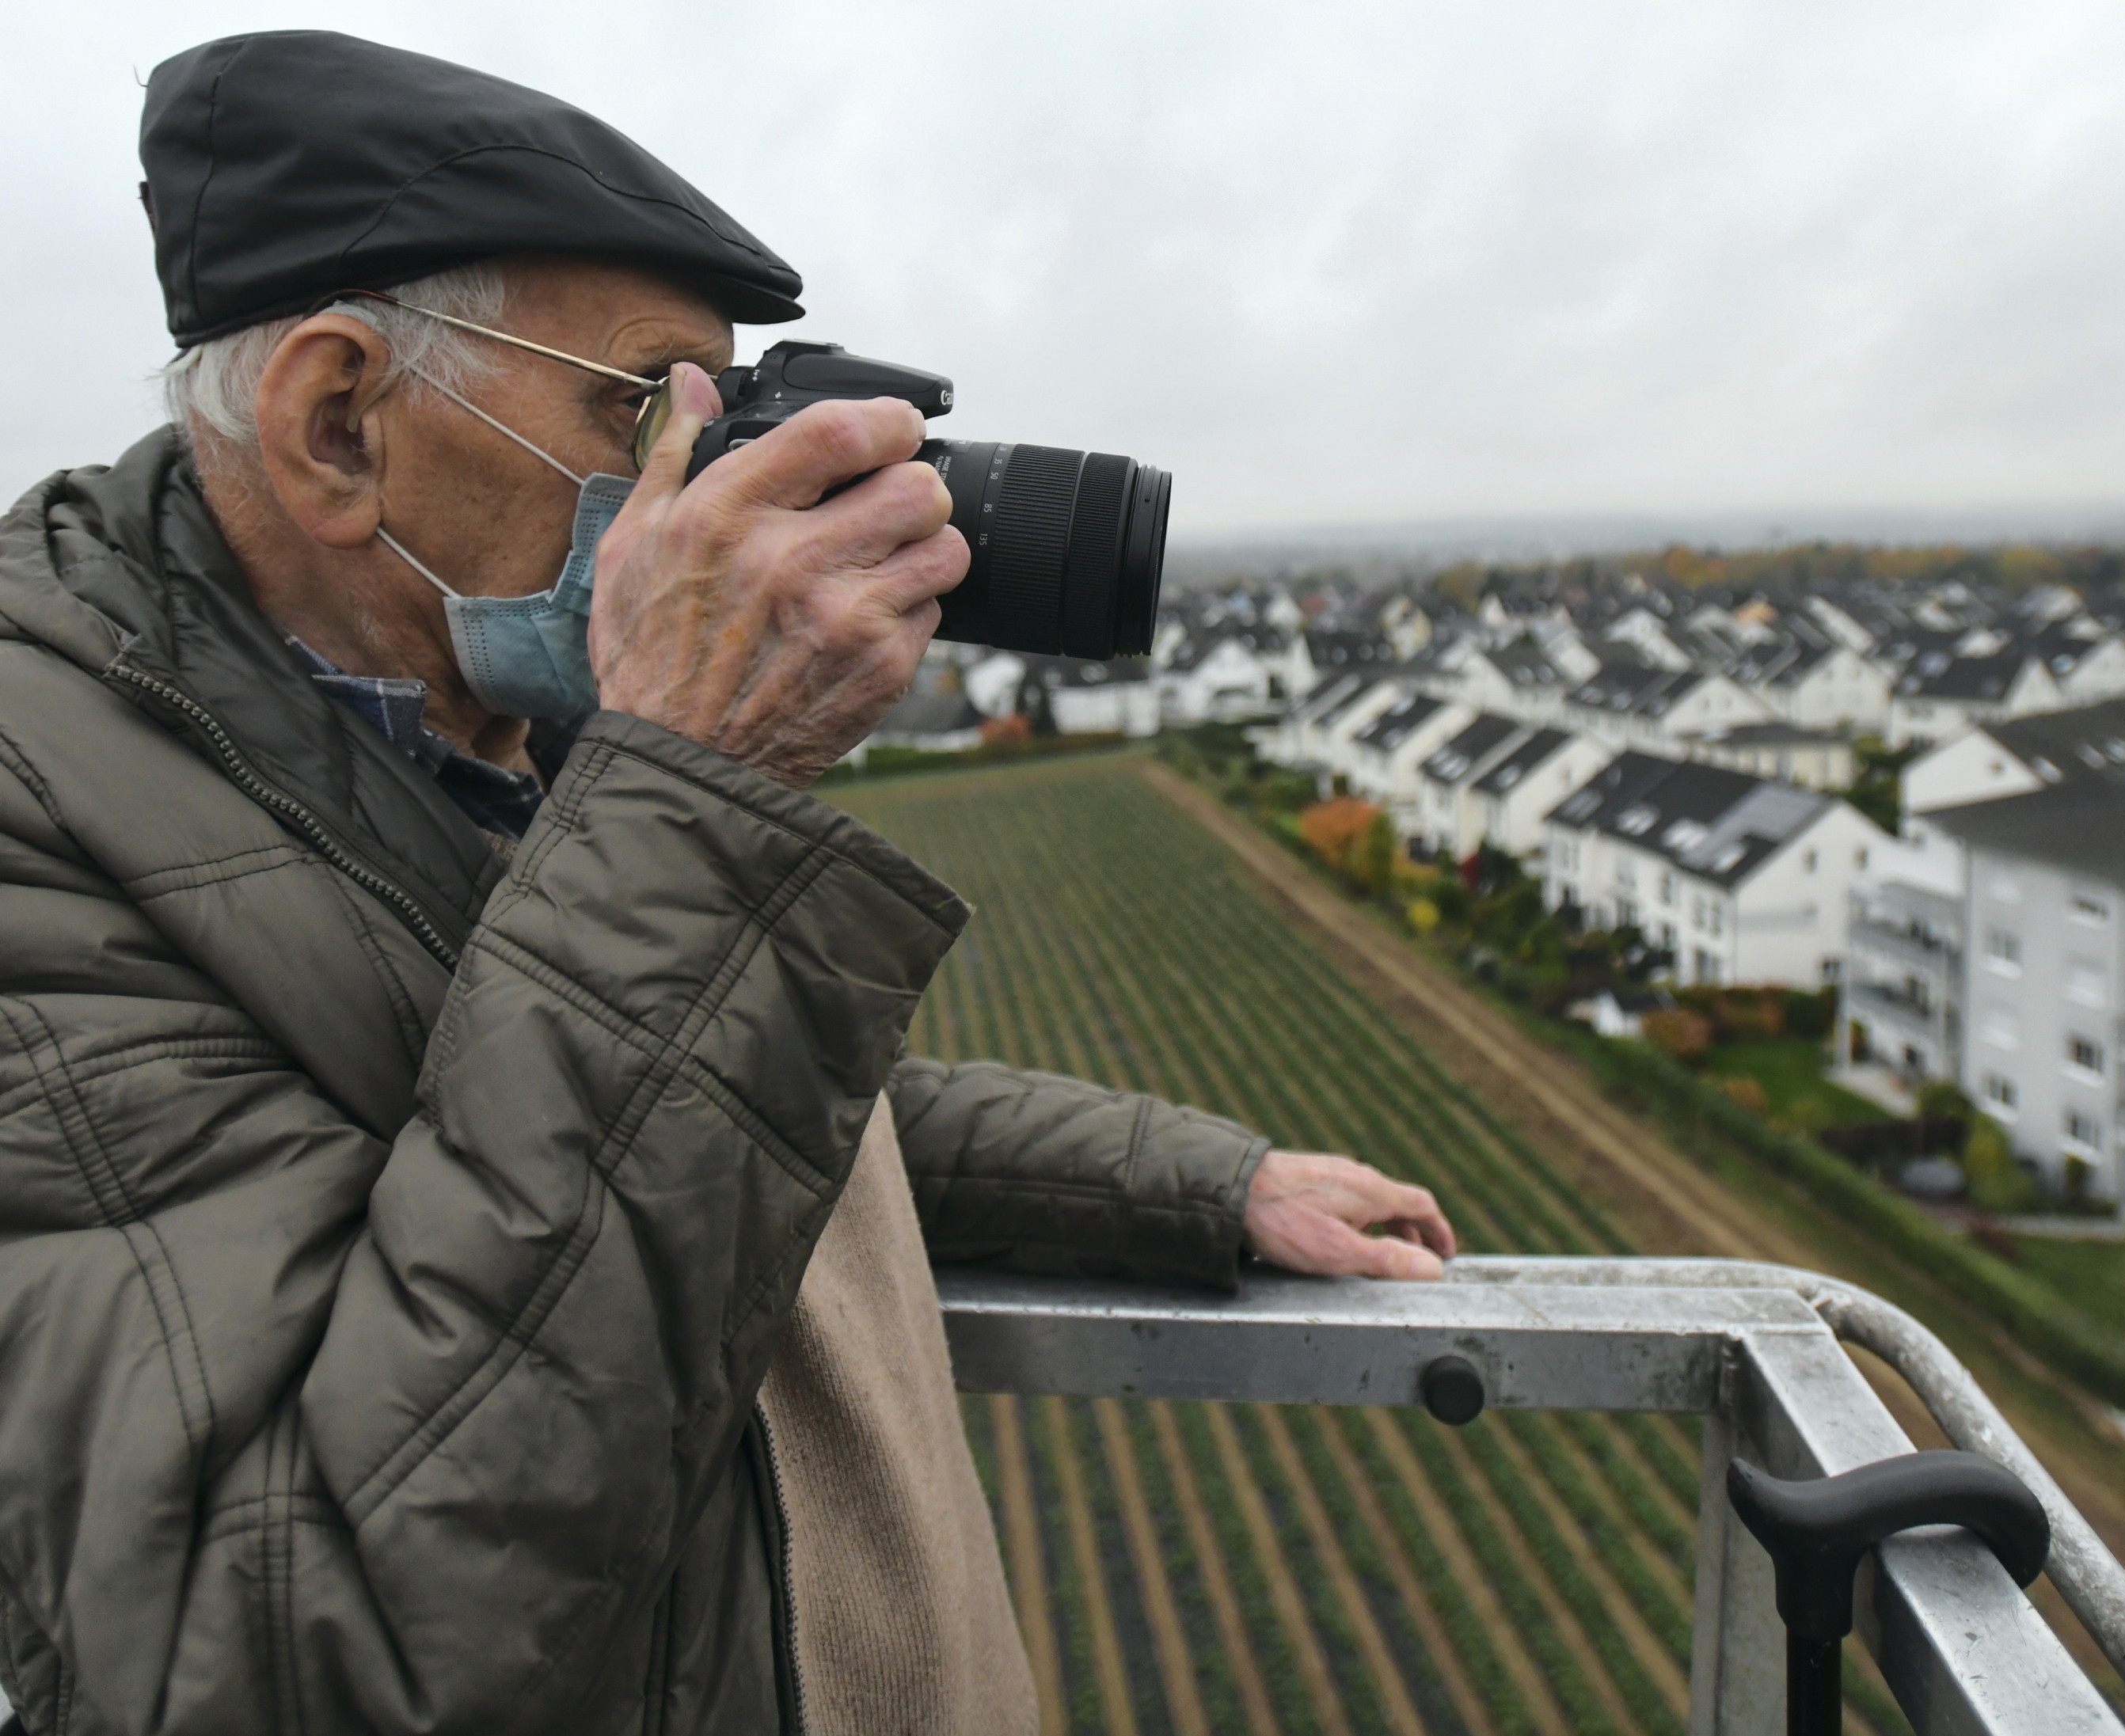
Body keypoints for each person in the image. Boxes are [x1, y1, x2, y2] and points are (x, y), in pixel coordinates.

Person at [0, 30, 1454, 1736]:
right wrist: (688, 778)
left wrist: (1186, 1183)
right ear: (338, 425)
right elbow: (299, 1647)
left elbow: (674, 1092)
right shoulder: (47, 832)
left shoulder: (449, 719)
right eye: (646, 407)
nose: (703, 483)